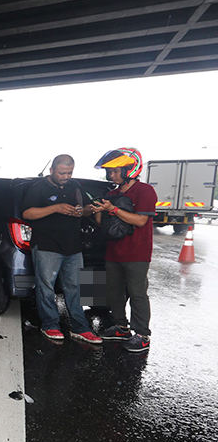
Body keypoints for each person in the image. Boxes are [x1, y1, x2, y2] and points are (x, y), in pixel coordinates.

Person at [21, 154, 102, 344]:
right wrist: (55, 208)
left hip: (73, 246)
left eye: (69, 172)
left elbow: (90, 208)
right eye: (62, 173)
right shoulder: (39, 188)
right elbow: (27, 213)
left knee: (76, 288)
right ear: (52, 171)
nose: (66, 176)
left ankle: (80, 328)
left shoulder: (75, 187)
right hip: (47, 246)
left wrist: (83, 211)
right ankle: (50, 325)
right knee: (46, 287)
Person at [90, 147, 157, 353]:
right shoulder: (111, 194)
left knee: (137, 293)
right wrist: (98, 211)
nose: (111, 175)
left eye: (115, 171)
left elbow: (140, 220)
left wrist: (113, 209)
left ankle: (142, 335)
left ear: (130, 168)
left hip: (137, 252)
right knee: (114, 292)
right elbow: (103, 225)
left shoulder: (145, 191)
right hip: (113, 252)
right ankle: (121, 327)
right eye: (109, 171)